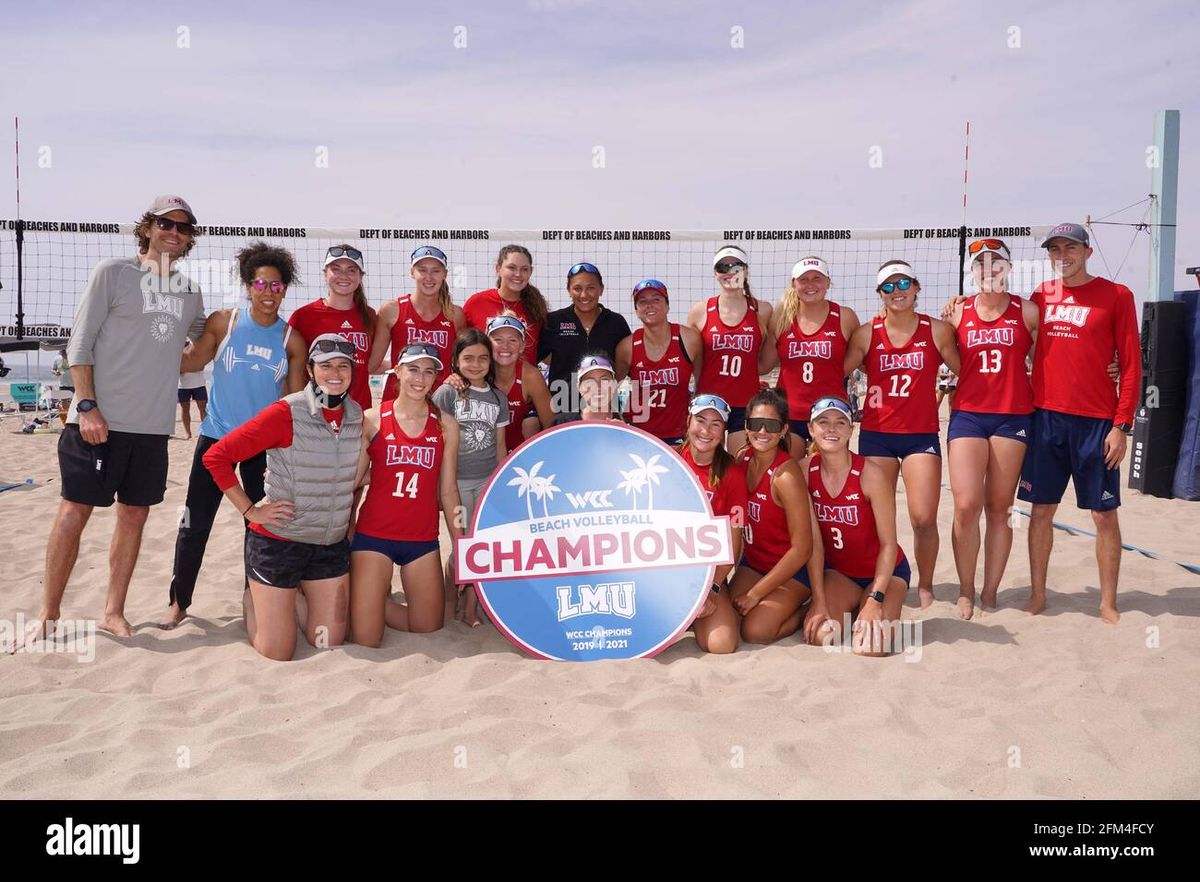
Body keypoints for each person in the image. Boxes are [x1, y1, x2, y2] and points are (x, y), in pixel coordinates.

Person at [5, 195, 206, 648]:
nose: (173, 231)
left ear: (190, 236)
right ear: (148, 227)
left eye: (183, 226)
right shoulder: (113, 273)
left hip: (153, 428)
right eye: (164, 223)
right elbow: (80, 345)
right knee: (75, 511)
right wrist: (86, 406)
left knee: (134, 517)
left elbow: (197, 347)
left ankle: (114, 611)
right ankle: (48, 614)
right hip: (98, 422)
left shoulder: (189, 292)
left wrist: (233, 324)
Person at [161, 242, 308, 629]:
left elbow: (293, 402)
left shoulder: (291, 339)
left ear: (284, 291)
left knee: (258, 526)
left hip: (261, 445)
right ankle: (179, 602)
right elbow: (192, 362)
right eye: (261, 284)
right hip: (217, 437)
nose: (268, 292)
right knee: (195, 522)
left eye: (277, 286)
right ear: (248, 285)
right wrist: (158, 343)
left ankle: (253, 598)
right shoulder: (223, 321)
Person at [202, 335, 365, 661]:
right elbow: (216, 457)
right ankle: (255, 599)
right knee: (278, 651)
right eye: (326, 365)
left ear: (352, 370)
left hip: (328, 547)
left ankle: (291, 597)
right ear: (310, 370)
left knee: (326, 643)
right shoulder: (286, 412)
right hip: (279, 543)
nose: (335, 373)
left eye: (343, 365)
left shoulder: (357, 414)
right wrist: (250, 510)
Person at [1017, 222, 1141, 622]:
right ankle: (1038, 595)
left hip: (1096, 423)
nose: (1062, 256)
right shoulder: (1041, 296)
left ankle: (1108, 602)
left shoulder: (1117, 296)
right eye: (1055, 250)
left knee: (1104, 515)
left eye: (1070, 248)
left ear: (1087, 252)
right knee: (1040, 512)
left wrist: (1121, 426)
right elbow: (999, 322)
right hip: (1046, 418)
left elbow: (1133, 365)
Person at [844, 259, 959, 609]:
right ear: (880, 294)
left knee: (923, 518)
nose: (898, 291)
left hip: (920, 434)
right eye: (889, 287)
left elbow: (967, 369)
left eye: (903, 284)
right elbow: (834, 370)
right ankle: (879, 579)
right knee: (878, 520)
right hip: (877, 434)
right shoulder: (866, 333)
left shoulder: (937, 330)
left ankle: (925, 584)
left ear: (916, 287)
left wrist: (962, 303)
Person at [946, 239, 1038, 620]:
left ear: (1008, 268)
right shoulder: (957, 312)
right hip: (968, 414)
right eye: (981, 264)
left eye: (995, 263)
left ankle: (989, 591)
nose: (989, 270)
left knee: (999, 509)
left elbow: (1054, 359)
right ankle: (966, 590)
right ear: (973, 271)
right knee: (966, 506)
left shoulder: (1028, 310)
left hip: (1012, 416)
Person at [349, 343, 463, 646]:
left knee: (429, 626)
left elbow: (448, 490)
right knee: (366, 638)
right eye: (413, 369)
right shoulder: (371, 419)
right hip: (374, 536)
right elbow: (353, 481)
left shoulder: (446, 425)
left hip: (421, 539)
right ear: (397, 371)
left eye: (429, 372)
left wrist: (461, 542)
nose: (420, 378)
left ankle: (364, 601)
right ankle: (361, 600)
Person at [801, 397, 910, 656]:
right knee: (821, 636)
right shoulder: (804, 471)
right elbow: (814, 544)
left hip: (885, 573)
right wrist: (818, 599)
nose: (831, 429)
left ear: (852, 430)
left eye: (840, 423)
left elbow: (888, 545)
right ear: (810, 429)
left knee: (871, 648)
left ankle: (873, 605)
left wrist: (876, 599)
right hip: (840, 574)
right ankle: (847, 606)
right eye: (823, 422)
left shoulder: (871, 474)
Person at [431, 330, 509, 627]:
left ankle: (471, 609)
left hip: (487, 480)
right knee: (461, 545)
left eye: (482, 358)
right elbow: (436, 439)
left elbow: (500, 445)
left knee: (483, 545)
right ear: (456, 360)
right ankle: (450, 602)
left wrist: (499, 484)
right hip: (456, 483)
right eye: (468, 358)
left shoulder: (497, 398)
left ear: (490, 362)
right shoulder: (447, 394)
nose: (475, 364)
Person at [728, 388, 813, 644]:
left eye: (771, 425)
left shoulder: (786, 476)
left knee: (756, 631)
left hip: (791, 571)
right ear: (746, 426)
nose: (762, 432)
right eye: (756, 424)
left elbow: (802, 549)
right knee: (731, 620)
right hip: (753, 564)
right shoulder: (742, 460)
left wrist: (756, 594)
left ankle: (804, 611)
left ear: (784, 430)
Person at [760, 256, 860, 456]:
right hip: (789, 413)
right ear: (793, 284)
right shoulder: (781, 319)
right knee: (791, 478)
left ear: (828, 283)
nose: (810, 285)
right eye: (803, 279)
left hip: (831, 414)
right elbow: (764, 366)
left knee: (828, 479)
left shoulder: (844, 317)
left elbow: (859, 358)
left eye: (817, 278)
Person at [676, 394, 747, 654]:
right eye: (700, 420)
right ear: (688, 421)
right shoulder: (667, 460)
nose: (706, 430)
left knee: (721, 645)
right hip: (666, 571)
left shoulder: (733, 474)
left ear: (724, 431)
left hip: (706, 574)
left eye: (716, 424)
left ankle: (696, 614)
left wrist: (714, 588)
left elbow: (734, 540)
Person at [688, 245, 774, 452]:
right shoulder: (700, 311)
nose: (729, 272)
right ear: (715, 273)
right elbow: (696, 362)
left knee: (739, 464)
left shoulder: (763, 309)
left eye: (736, 266)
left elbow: (764, 363)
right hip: (709, 403)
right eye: (722, 267)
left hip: (745, 402)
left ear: (746, 271)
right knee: (709, 465)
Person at [287, 245, 376, 413]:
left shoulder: (369, 316)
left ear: (360, 276)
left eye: (351, 270)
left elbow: (370, 364)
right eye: (336, 269)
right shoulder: (304, 316)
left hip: (359, 413)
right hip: (318, 412)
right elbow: (290, 366)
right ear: (325, 273)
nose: (344, 276)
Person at [370, 245, 464, 401]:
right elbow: (372, 364)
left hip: (440, 402)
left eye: (435, 271)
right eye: (422, 270)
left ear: (445, 274)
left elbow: (464, 363)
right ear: (412, 272)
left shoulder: (455, 314)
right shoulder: (393, 310)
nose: (429, 277)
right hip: (398, 400)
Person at [617, 279, 703, 444]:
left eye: (656, 299)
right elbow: (610, 388)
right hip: (638, 433)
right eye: (642, 301)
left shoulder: (689, 339)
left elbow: (701, 383)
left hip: (679, 434)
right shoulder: (627, 347)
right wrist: (617, 420)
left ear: (667, 305)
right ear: (636, 310)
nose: (649, 305)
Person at [539, 262, 632, 413]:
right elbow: (531, 362)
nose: (584, 295)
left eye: (591, 288)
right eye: (577, 288)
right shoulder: (554, 321)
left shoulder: (616, 322)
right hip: (561, 409)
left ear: (601, 289)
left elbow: (629, 363)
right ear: (568, 290)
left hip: (604, 410)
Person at [462, 245, 549, 368]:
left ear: (530, 272)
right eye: (511, 268)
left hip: (524, 384)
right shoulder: (476, 303)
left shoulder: (537, 309)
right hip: (485, 383)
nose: (518, 274)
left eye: (524, 269)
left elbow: (546, 355)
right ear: (498, 268)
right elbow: (461, 348)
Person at [553, 354, 622, 424]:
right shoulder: (561, 424)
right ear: (579, 387)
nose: (598, 386)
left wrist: (623, 432)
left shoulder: (628, 430)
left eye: (604, 380)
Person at [177, 352, 208, 440]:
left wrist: (185, 368)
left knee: (203, 409)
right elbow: (178, 369)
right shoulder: (178, 348)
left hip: (199, 384)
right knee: (185, 409)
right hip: (183, 385)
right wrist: (192, 367)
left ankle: (205, 432)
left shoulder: (197, 346)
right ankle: (188, 433)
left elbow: (201, 366)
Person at [51, 349, 73, 425]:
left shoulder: (73, 356)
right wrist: (55, 373)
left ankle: (73, 419)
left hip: (75, 383)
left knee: (75, 401)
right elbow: (53, 369)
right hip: (62, 384)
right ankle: (67, 421)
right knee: (64, 402)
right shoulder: (57, 358)